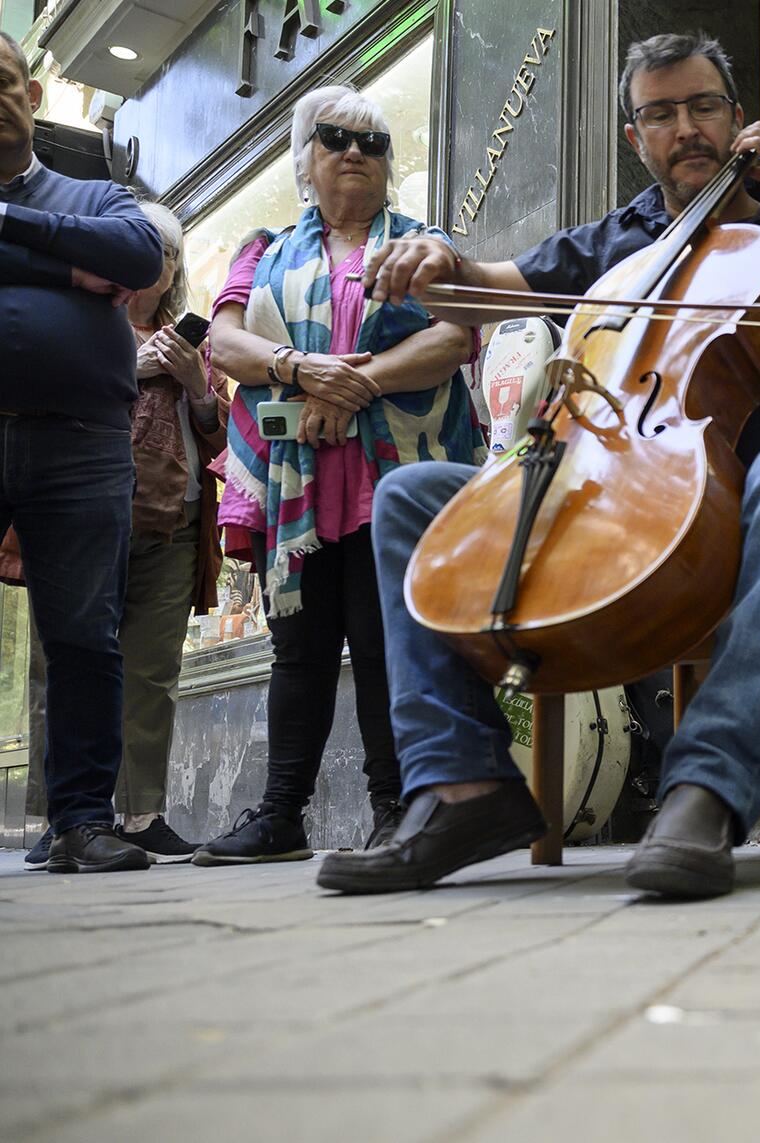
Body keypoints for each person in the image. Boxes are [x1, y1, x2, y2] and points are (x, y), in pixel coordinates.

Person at [340, 31, 760, 897]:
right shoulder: (624, 238)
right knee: (411, 497)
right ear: (636, 137)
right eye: (660, 114)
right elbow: (476, 287)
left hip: (745, 523)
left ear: (739, 120)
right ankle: (463, 787)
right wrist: (436, 257)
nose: (686, 128)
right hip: (605, 498)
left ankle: (705, 788)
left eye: (704, 106)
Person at [193, 84, 480, 865]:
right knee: (301, 650)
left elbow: (456, 337)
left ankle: (396, 807)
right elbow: (224, 344)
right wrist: (300, 367)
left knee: (388, 641)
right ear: (304, 160)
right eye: (334, 138)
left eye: (373, 142)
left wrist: (361, 382)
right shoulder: (262, 248)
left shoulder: (423, 242)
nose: (355, 152)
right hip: (299, 482)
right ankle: (283, 812)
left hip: (397, 477)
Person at [11, 201, 225, 867]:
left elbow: (219, 438)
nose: (155, 262)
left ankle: (141, 814)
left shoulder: (196, 341)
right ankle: (67, 816)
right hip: (82, 513)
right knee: (69, 661)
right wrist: (130, 367)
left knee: (152, 673)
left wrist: (195, 386)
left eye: (167, 253)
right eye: (145, 247)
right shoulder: (74, 320)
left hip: (172, 524)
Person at [0, 32, 165, 874]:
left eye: (2, 81)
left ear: (31, 94)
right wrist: (67, 269)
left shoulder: (99, 194)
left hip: (82, 441)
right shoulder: (80, 221)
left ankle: (79, 822)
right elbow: (100, 266)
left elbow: (139, 256)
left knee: (85, 637)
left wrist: (7, 222)